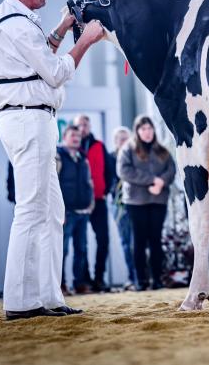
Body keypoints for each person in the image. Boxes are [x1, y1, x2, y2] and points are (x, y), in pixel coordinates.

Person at [0, 0, 104, 320]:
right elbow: (53, 72)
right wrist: (87, 41)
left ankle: (49, 296)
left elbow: (36, 57)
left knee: (52, 210)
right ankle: (19, 302)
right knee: (32, 209)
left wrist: (64, 27)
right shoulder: (17, 23)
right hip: (28, 119)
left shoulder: (7, 18)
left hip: (30, 119)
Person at [117, 116, 176, 290]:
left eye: (149, 128)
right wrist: (152, 180)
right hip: (136, 201)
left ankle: (157, 279)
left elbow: (171, 170)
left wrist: (161, 182)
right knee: (139, 241)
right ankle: (141, 280)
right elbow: (124, 171)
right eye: (143, 129)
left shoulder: (162, 151)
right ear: (137, 131)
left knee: (156, 240)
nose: (147, 132)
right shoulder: (128, 148)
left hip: (158, 200)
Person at [73, 114, 115, 292]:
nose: (83, 128)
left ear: (89, 126)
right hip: (80, 203)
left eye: (85, 124)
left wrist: (106, 191)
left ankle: (99, 278)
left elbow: (110, 171)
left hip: (98, 201)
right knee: (81, 244)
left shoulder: (99, 146)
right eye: (79, 125)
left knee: (103, 240)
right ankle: (84, 279)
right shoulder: (71, 148)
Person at [57, 125, 94, 294]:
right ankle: (60, 285)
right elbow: (54, 184)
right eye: (72, 135)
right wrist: (59, 209)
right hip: (66, 212)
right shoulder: (58, 156)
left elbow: (89, 182)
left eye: (78, 135)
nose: (76, 138)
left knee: (81, 249)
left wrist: (90, 203)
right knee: (62, 250)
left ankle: (79, 283)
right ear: (64, 137)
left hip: (82, 211)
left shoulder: (82, 157)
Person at [110, 126, 138, 290]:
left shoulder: (137, 156)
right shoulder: (110, 157)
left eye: (126, 138)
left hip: (136, 203)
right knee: (126, 242)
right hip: (118, 204)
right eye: (121, 139)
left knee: (138, 242)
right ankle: (131, 277)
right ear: (115, 142)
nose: (124, 141)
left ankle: (140, 278)